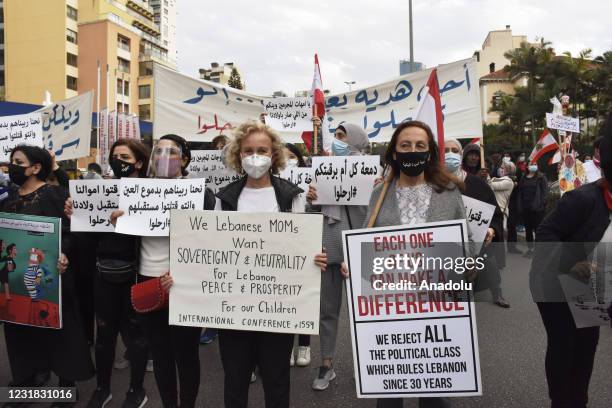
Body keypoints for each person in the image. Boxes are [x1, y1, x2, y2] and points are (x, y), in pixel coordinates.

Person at [203, 120, 327, 408]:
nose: (255, 156)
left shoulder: (291, 196)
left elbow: (301, 244)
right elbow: (214, 249)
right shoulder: (225, 199)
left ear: (274, 156)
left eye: (262, 150)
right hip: (234, 309)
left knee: (277, 380)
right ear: (238, 156)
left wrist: (315, 256)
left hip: (278, 309)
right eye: (248, 151)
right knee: (235, 380)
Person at [370, 121, 469, 408]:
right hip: (390, 305)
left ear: (429, 152)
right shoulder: (379, 195)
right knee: (389, 392)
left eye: (420, 146)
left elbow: (464, 248)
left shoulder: (448, 192)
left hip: (436, 303)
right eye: (405, 146)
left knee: (435, 392)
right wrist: (351, 265)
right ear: (394, 152)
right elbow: (363, 244)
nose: (412, 151)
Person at [111, 134, 213, 408]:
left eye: (171, 152)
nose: (163, 158)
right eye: (158, 152)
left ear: (185, 159)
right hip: (147, 280)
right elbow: (123, 240)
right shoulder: (136, 191)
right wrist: (116, 221)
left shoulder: (201, 194)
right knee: (160, 353)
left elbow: (210, 239)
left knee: (186, 353)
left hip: (183, 282)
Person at [1, 145, 94, 405]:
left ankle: (65, 389)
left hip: (52, 280)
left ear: (36, 168)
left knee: (59, 334)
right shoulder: (9, 198)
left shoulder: (55, 195)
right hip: (17, 280)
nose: (12, 166)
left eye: (18, 161)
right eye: (11, 161)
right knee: (20, 335)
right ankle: (26, 384)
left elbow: (69, 231)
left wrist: (63, 253)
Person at [529, 113, 612, 408]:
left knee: (587, 346)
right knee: (565, 344)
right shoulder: (583, 199)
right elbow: (545, 233)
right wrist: (570, 261)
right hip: (554, 282)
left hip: (592, 286)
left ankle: (578, 400)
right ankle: (561, 402)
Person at [66, 139, 152, 408]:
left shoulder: (152, 192)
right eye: (115, 156)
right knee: (104, 335)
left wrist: (130, 220)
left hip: (137, 274)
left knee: (135, 337)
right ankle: (103, 389)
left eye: (125, 157)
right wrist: (76, 218)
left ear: (139, 162)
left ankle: (136, 390)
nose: (119, 161)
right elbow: (90, 240)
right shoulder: (100, 192)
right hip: (104, 274)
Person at [307, 122, 370, 390]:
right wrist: (312, 199)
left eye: (343, 137)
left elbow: (371, 217)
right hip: (329, 249)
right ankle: (326, 364)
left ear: (356, 141)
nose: (337, 141)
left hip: (359, 251)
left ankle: (370, 363)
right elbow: (311, 217)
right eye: (336, 136)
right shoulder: (322, 172)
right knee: (327, 310)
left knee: (365, 312)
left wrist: (368, 189)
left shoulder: (369, 173)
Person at [447, 139, 509, 308]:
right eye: (445, 150)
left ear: (460, 155)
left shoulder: (479, 186)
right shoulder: (429, 185)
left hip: (474, 250)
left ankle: (497, 293)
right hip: (444, 255)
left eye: (454, 150)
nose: (450, 154)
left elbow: (495, 216)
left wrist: (491, 230)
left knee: (487, 267)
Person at [279, 142, 313, 367]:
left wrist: (314, 199)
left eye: (292, 156)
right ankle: (286, 347)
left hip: (304, 247)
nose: (288, 160)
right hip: (281, 249)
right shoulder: (272, 186)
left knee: (303, 298)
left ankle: (304, 345)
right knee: (283, 299)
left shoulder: (311, 184)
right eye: (283, 157)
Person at [488, 161, 517, 268]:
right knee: (493, 237)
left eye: (502, 167)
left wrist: (486, 175)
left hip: (500, 211)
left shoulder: (509, 182)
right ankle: (494, 260)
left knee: (498, 238)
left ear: (508, 170)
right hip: (492, 209)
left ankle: (500, 263)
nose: (500, 169)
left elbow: (492, 186)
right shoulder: (499, 178)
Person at [517, 162, 548, 257]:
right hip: (526, 208)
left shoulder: (541, 178)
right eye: (531, 164)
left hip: (537, 209)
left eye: (535, 163)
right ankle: (530, 249)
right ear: (527, 166)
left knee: (537, 230)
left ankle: (538, 250)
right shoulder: (523, 178)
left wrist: (541, 205)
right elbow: (520, 192)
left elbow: (545, 193)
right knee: (528, 230)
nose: (533, 165)